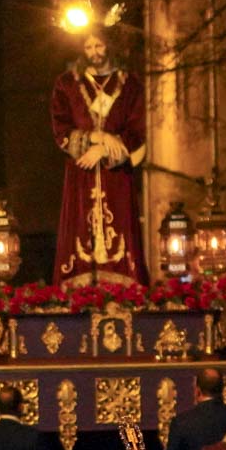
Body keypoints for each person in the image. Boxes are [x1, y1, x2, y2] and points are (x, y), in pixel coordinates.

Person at [51, 25, 148, 286]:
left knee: (122, 229)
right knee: (79, 230)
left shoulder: (130, 85)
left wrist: (106, 150)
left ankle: (125, 289)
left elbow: (137, 130)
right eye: (88, 47)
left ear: (109, 46)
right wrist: (97, 138)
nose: (94, 52)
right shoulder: (67, 84)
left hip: (116, 175)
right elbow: (61, 129)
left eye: (99, 45)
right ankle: (79, 289)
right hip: (81, 172)